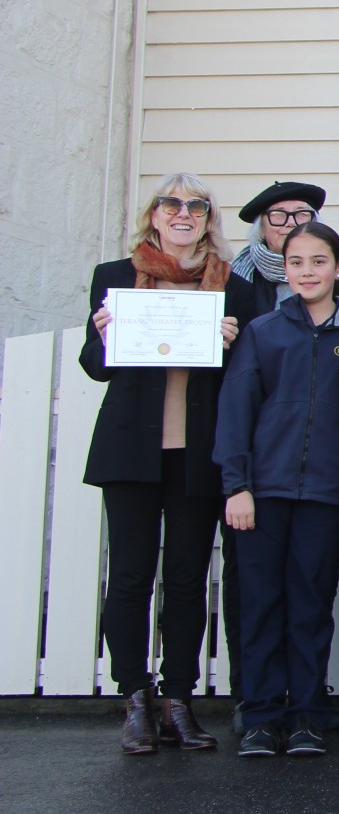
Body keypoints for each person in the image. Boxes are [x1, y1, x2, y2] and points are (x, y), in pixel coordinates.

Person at [82, 173, 255, 754]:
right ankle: (135, 698)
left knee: (186, 580)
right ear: (153, 215)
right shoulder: (115, 278)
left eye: (197, 205)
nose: (184, 213)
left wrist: (232, 346)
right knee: (130, 576)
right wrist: (104, 335)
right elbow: (96, 366)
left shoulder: (233, 288)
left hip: (198, 453)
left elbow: (247, 383)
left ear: (209, 219)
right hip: (131, 449)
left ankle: (179, 699)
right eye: (172, 203)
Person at [214, 221, 339, 757]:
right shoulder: (264, 331)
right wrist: (237, 485)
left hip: (326, 495)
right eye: (297, 262)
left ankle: (306, 711)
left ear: (338, 267)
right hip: (264, 493)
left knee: (310, 604)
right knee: (261, 603)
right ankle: (260, 713)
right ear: (287, 269)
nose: (308, 272)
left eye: (318, 261)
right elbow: (236, 413)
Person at [231, 181, 339, 318]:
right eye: (278, 214)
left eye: (301, 214)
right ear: (261, 229)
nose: (290, 223)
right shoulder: (235, 284)